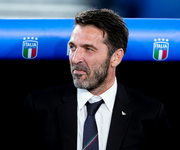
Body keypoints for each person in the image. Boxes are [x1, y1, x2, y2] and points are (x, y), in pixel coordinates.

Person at [21, 9, 172, 150]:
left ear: (116, 57)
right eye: (73, 47)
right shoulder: (39, 106)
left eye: (88, 49)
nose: (75, 58)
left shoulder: (149, 113)